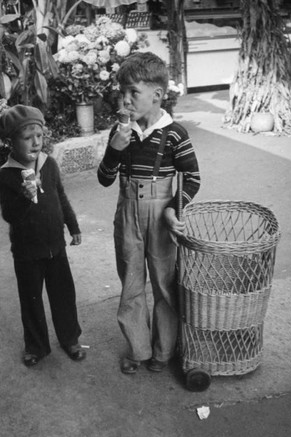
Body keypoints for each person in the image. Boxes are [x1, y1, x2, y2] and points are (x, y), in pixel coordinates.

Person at [97, 52, 200, 375]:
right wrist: (115, 148)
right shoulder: (120, 131)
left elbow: (192, 178)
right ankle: (139, 349)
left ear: (157, 95)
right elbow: (104, 178)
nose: (125, 100)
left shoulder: (175, 134)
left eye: (133, 93)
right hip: (127, 210)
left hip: (160, 214)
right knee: (131, 282)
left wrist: (173, 209)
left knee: (165, 283)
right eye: (122, 92)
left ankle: (164, 351)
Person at [0, 105, 86, 367]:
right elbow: (9, 215)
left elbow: (61, 197)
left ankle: (70, 339)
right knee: (31, 299)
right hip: (26, 252)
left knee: (63, 295)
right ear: (11, 142)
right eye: (27, 137)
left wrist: (73, 226)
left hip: (56, 246)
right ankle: (36, 346)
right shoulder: (6, 176)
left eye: (39, 135)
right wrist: (25, 198)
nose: (35, 142)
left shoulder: (50, 164)